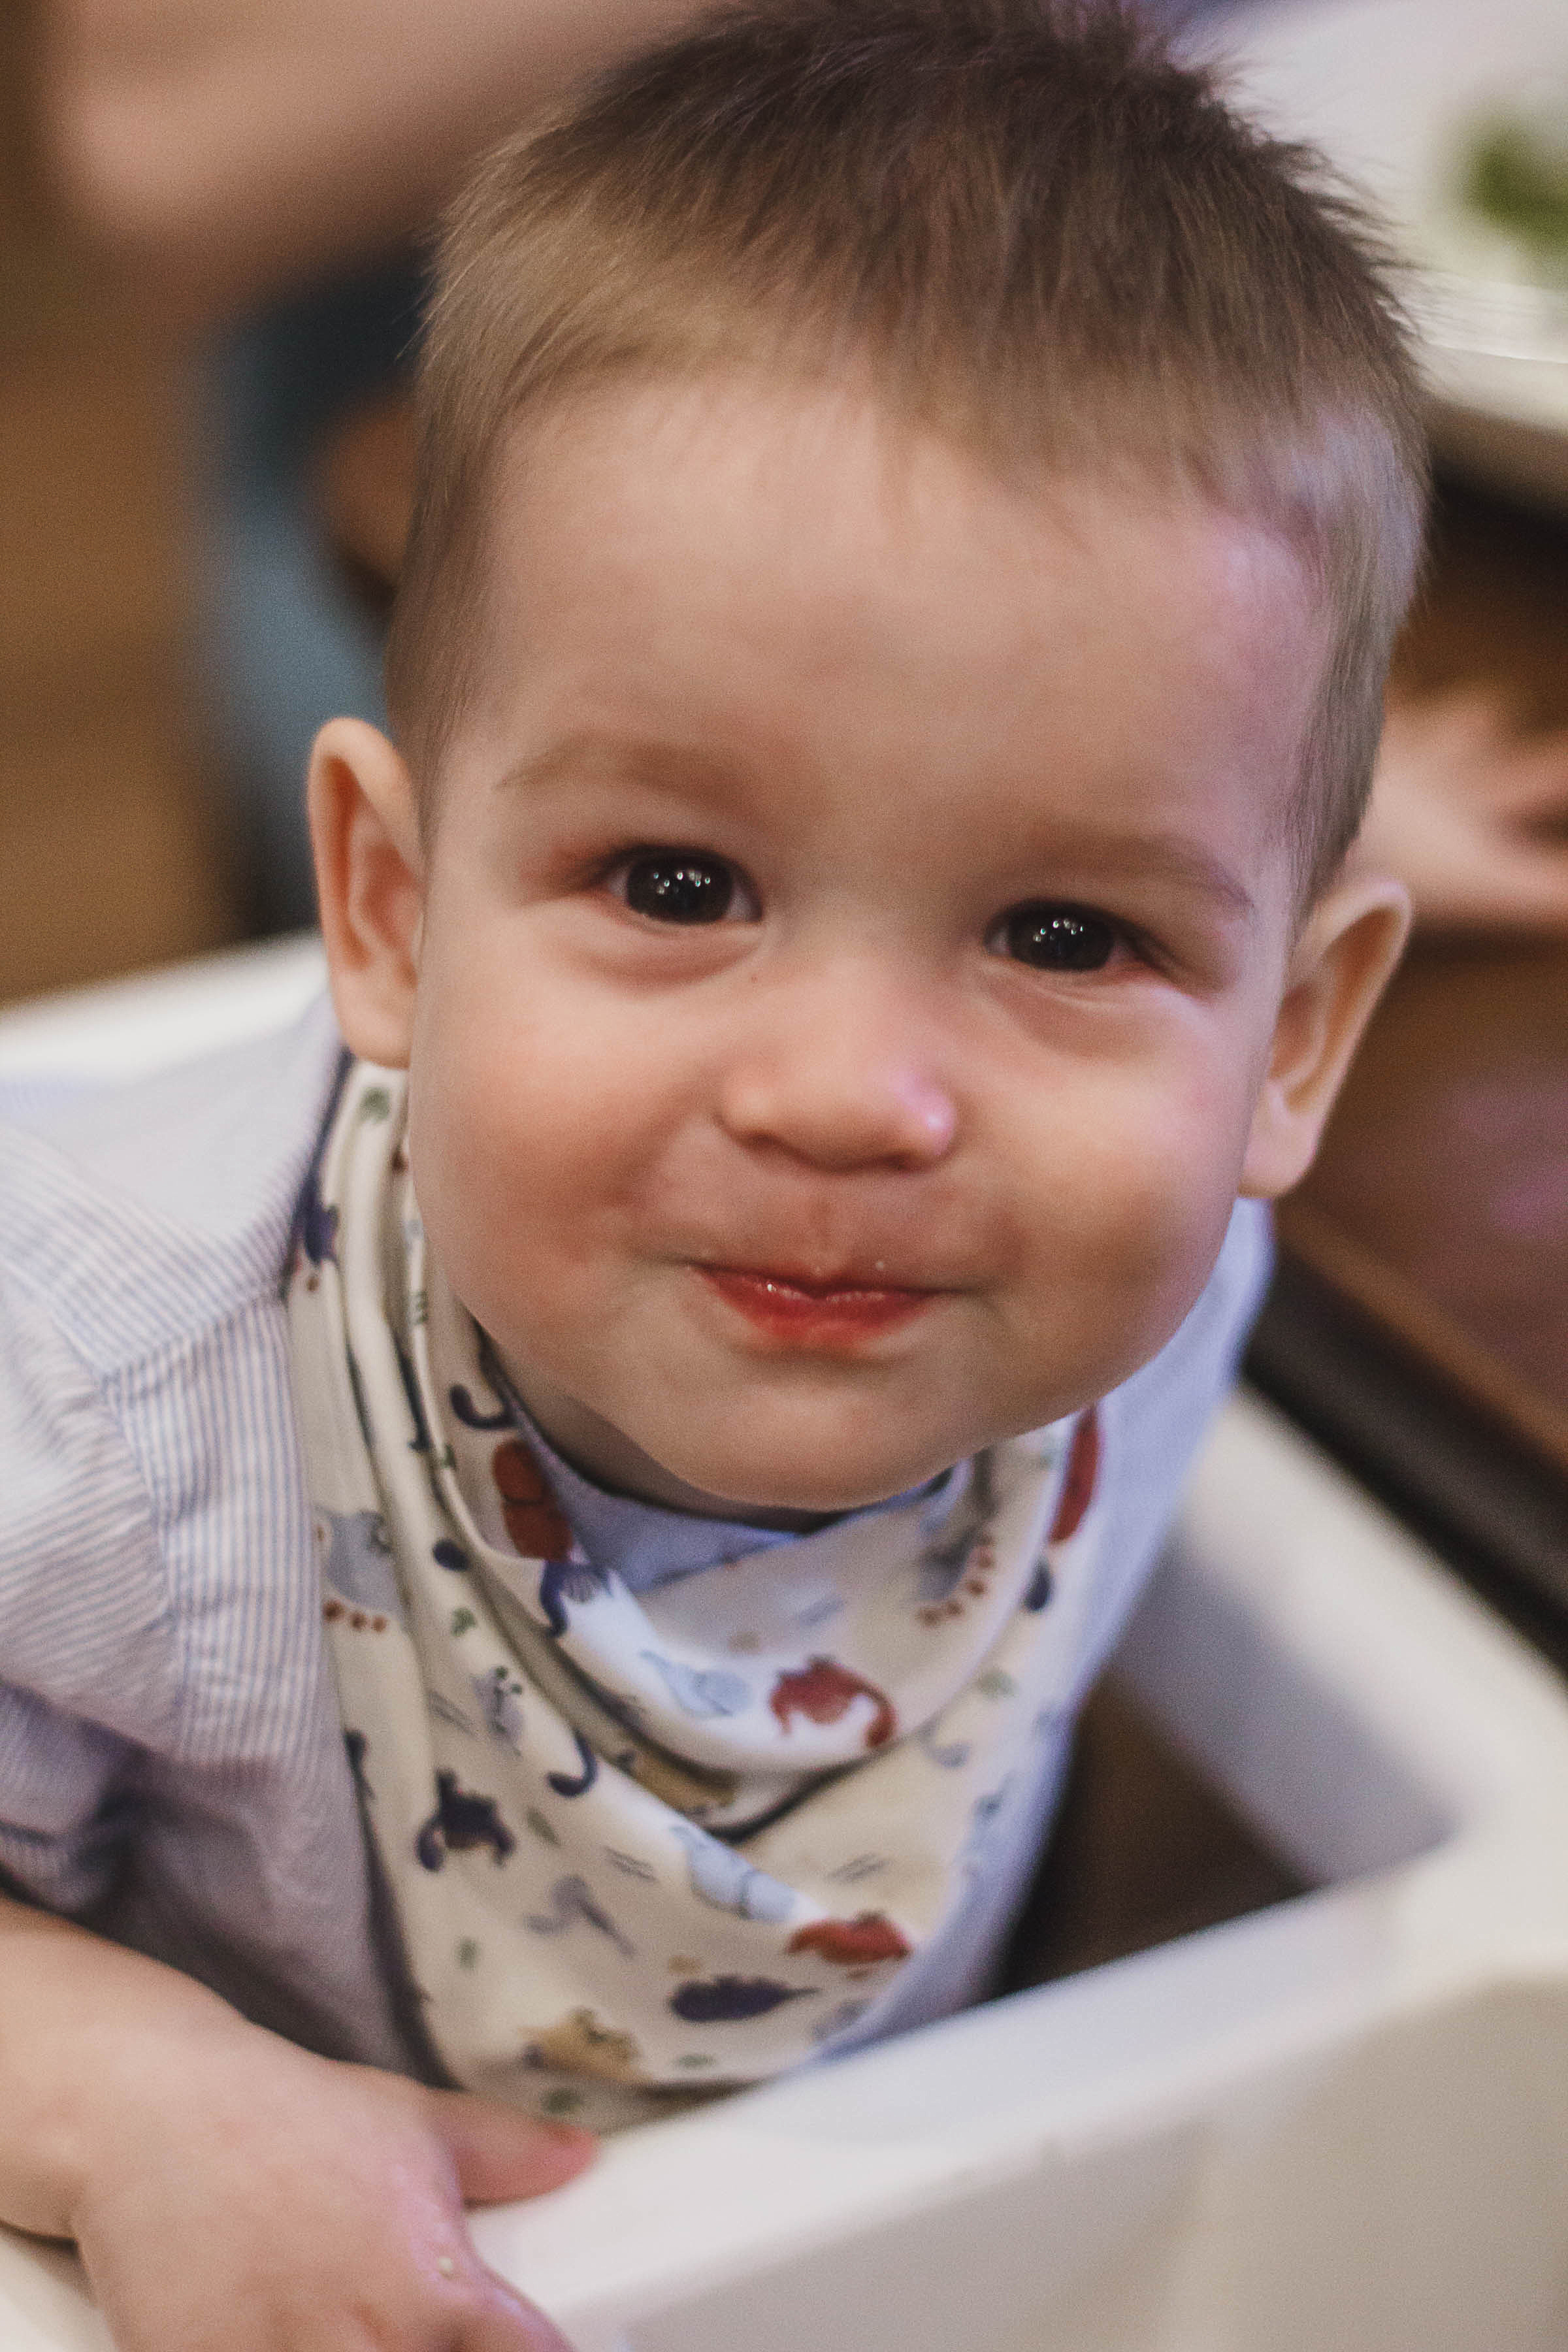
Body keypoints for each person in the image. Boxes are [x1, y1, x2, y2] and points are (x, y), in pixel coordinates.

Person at [0, 4, 1420, 2346]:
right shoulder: (97, 1424)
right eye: (677, 884)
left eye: (1065, 926)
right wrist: (129, 2093)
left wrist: (1269, 808)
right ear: (385, 906)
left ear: (1288, 1037)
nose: (857, 1097)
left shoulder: (1144, 1237)